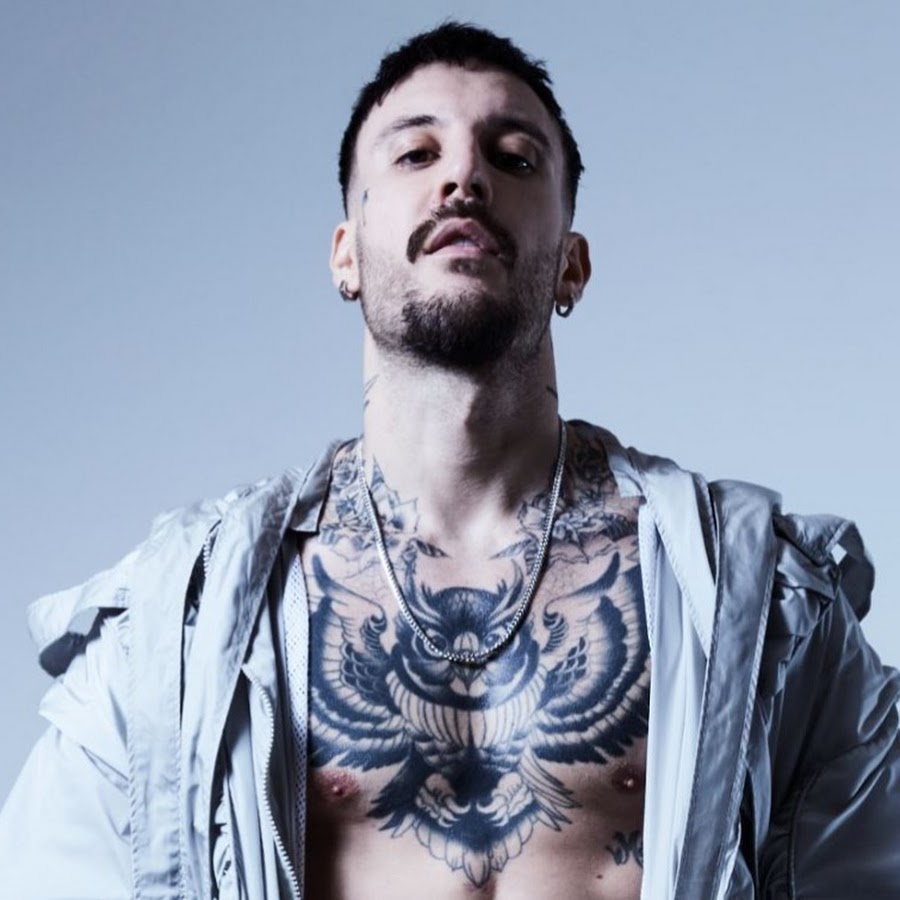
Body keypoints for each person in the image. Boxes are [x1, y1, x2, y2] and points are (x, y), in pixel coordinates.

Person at [1, 21, 897, 900]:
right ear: (346, 255)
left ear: (572, 266)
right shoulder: (180, 634)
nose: (464, 177)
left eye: (514, 158)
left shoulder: (755, 605)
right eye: (415, 154)